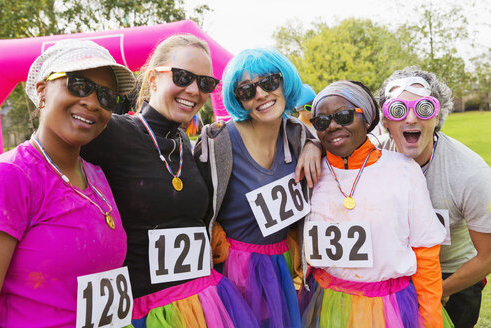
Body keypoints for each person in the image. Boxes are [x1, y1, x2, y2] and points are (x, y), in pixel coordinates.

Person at [81, 34, 257, 328]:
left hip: (202, 303)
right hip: (141, 311)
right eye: (183, 76)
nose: (193, 90)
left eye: (204, 83)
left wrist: (312, 143)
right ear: (152, 78)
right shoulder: (111, 133)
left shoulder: (190, 146)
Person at [0, 39, 134, 327]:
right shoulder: (11, 175)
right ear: (42, 90)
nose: (92, 102)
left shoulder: (96, 175)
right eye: (78, 85)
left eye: (107, 97)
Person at [299, 80, 448, 327]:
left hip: (390, 307)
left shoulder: (403, 170)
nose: (333, 126)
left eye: (344, 116)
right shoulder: (310, 172)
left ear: (367, 119)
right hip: (325, 303)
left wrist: (432, 320)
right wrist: (310, 145)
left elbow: (426, 254)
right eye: (322, 122)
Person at [194, 48, 321, 328]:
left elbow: (332, 133)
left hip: (281, 266)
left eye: (269, 82)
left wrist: (315, 144)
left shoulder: (299, 136)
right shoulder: (218, 144)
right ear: (237, 99)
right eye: (247, 91)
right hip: (233, 270)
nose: (261, 94)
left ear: (284, 82)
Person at [375, 66, 491, 328]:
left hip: (453, 275)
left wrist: (439, 288)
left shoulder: (470, 173)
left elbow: (487, 256)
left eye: (423, 108)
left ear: (436, 116)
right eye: (398, 110)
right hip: (397, 270)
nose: (411, 119)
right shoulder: (373, 157)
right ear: (385, 120)